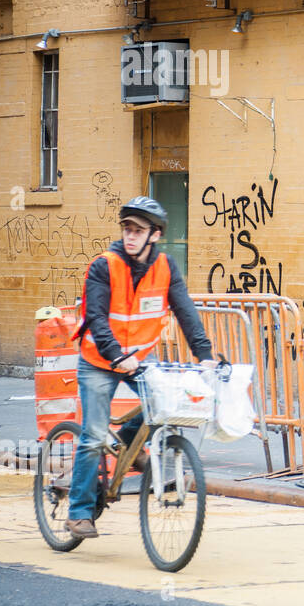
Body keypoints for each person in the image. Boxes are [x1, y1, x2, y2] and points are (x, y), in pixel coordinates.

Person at [64, 197, 215, 538]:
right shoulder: (105, 265)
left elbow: (185, 311)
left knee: (162, 406)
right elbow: (97, 318)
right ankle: (78, 513)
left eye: (139, 230)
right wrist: (117, 354)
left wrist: (204, 354)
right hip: (100, 359)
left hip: (138, 358)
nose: (130, 236)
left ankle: (129, 449)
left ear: (155, 235)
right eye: (126, 229)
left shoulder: (166, 267)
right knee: (91, 437)